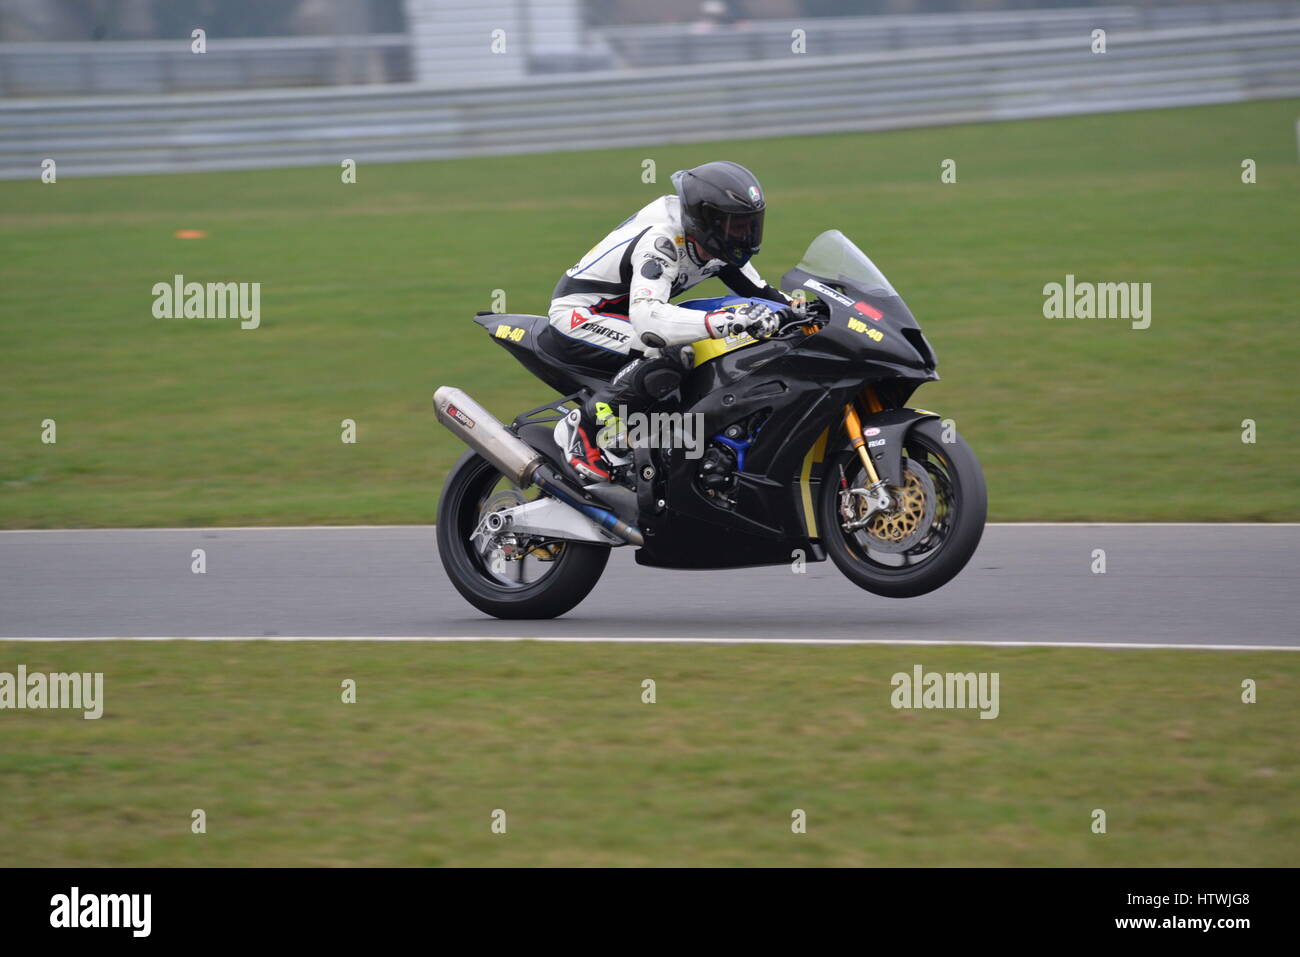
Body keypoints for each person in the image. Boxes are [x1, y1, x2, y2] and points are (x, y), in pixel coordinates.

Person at [547, 160, 791, 482]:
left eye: (749, 224)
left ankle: (657, 442)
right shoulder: (662, 240)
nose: (745, 235)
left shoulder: (715, 245)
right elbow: (649, 322)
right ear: (708, 220)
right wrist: (724, 321)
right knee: (670, 354)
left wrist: (808, 309)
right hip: (582, 314)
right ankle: (584, 427)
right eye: (736, 226)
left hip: (629, 313)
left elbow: (762, 293)